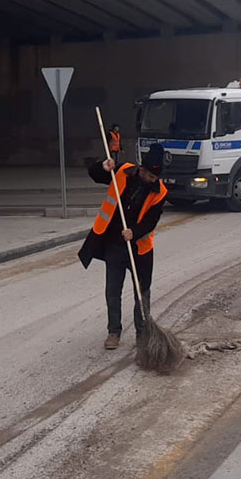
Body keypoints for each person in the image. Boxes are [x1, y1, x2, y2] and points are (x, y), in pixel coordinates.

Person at [80, 144, 168, 349]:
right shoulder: (122, 170)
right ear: (142, 170)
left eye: (157, 177)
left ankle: (142, 332)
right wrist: (103, 166)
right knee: (113, 290)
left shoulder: (160, 191)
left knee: (142, 291)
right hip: (114, 244)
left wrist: (134, 232)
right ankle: (114, 332)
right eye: (151, 176)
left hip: (140, 248)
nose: (154, 181)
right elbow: (94, 175)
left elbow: (151, 220)